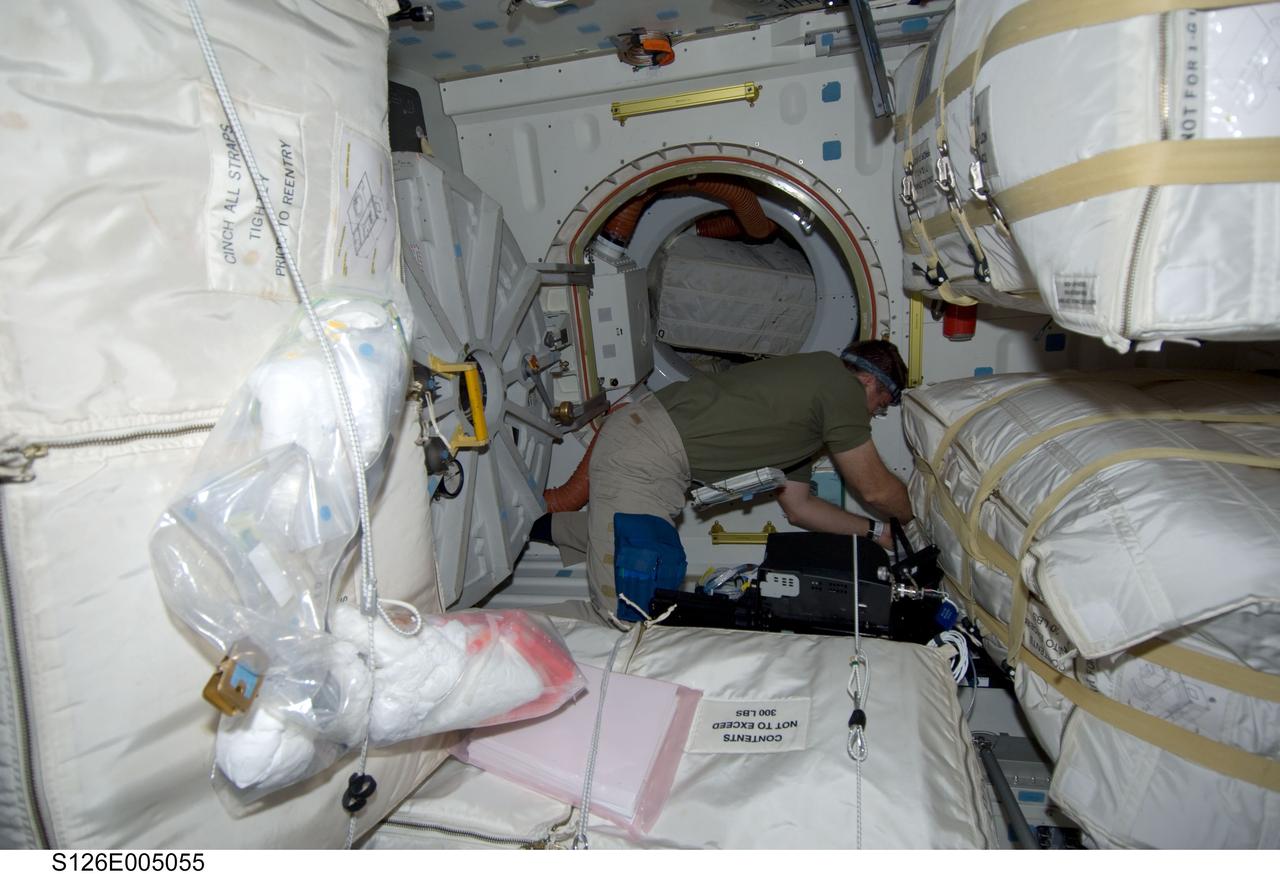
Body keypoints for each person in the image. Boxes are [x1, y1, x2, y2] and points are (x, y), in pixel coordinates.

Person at [532, 339, 914, 624]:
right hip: (647, 454)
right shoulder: (840, 386)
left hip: (651, 455)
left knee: (627, 539)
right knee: (628, 611)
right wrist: (911, 521)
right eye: (880, 406)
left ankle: (538, 526)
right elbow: (875, 488)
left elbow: (800, 509)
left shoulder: (809, 418)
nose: (873, 416)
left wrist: (877, 531)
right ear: (867, 382)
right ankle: (496, 638)